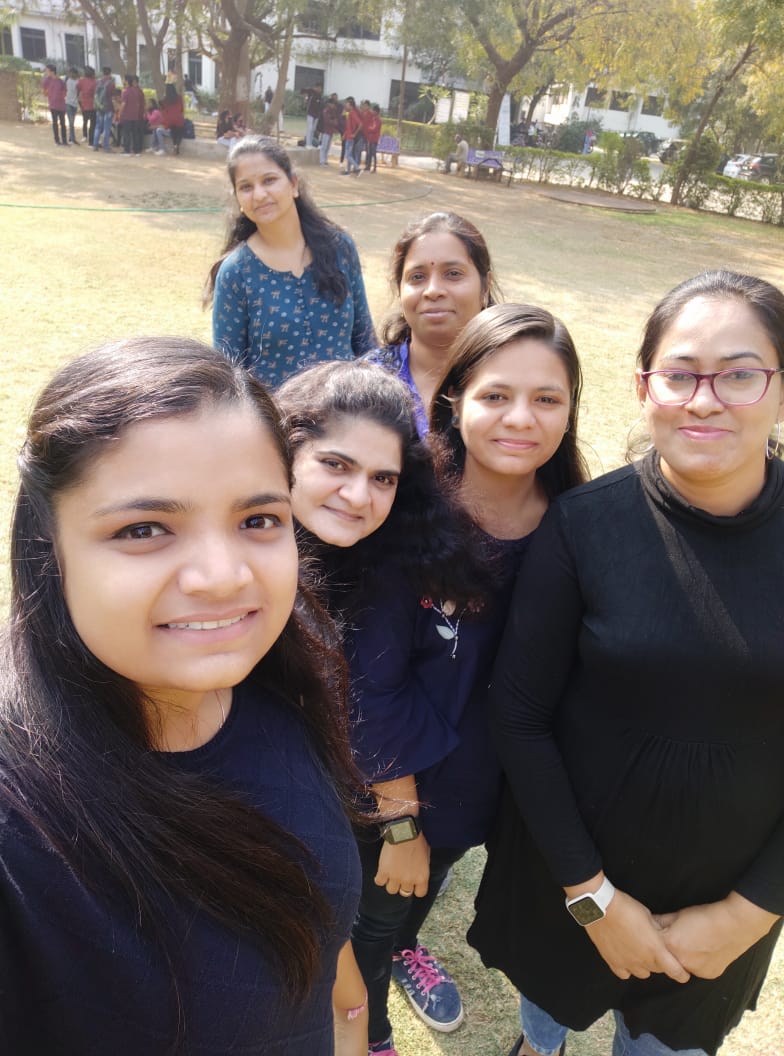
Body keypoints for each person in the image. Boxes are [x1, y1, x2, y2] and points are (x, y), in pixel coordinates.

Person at [0, 335, 367, 1054]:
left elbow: (314, 923)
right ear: (49, 548)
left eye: (258, 520)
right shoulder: (22, 834)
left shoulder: (281, 686)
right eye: (145, 529)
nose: (223, 576)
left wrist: (350, 1015)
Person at [468, 270, 784, 1056]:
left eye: (739, 374)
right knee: (544, 1020)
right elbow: (519, 715)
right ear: (644, 387)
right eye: (680, 374)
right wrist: (592, 899)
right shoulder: (583, 526)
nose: (703, 400)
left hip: (728, 910)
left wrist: (749, 914)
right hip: (567, 879)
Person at [207, 137, 376, 387]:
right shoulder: (236, 273)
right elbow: (229, 376)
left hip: (348, 405)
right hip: (276, 411)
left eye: (269, 180)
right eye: (246, 187)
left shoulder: (340, 248)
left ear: (294, 184)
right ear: (238, 199)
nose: (259, 194)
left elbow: (365, 340)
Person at [369, 211, 499, 435]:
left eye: (453, 274)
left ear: (485, 287)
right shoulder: (367, 380)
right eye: (417, 277)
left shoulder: (516, 374)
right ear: (399, 289)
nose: (433, 290)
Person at [41, 64, 68, 147]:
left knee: (63, 123)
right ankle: (57, 140)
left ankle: (64, 141)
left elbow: (65, 91)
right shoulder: (47, 80)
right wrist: (49, 95)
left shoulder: (60, 81)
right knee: (55, 123)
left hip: (61, 105)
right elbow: (44, 91)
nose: (46, 72)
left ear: (52, 71)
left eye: (47, 70)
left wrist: (59, 96)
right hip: (53, 105)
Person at [119, 73, 146, 156]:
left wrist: (119, 113)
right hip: (135, 116)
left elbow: (123, 104)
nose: (123, 81)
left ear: (127, 81)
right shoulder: (136, 91)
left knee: (126, 133)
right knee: (135, 134)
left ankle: (127, 151)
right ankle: (136, 151)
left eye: (124, 79)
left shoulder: (125, 92)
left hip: (127, 116)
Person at [156, 83, 185, 155]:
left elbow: (163, 110)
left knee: (173, 131)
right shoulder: (179, 98)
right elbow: (181, 108)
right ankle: (176, 145)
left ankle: (174, 145)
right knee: (179, 132)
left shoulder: (165, 99)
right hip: (178, 118)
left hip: (169, 119)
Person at [93, 66, 116, 152]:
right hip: (108, 107)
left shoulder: (98, 82)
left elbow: (95, 94)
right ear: (110, 73)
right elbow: (113, 97)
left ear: (103, 73)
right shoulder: (111, 84)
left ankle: (95, 145)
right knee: (107, 127)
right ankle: (106, 146)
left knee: (98, 126)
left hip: (99, 107)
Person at [341, 97, 362, 176]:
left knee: (348, 155)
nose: (346, 107)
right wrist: (345, 134)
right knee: (349, 155)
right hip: (348, 137)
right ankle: (348, 170)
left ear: (351, 106)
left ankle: (357, 168)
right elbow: (349, 126)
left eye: (347, 105)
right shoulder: (350, 114)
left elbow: (360, 124)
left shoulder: (352, 114)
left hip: (350, 138)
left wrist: (354, 134)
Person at [319, 92, 341, 166]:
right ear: (329, 104)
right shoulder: (326, 110)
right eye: (333, 104)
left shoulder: (333, 111)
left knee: (328, 147)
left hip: (330, 131)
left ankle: (325, 160)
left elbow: (335, 119)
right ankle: (322, 161)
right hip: (326, 131)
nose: (334, 106)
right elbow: (327, 121)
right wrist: (334, 122)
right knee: (324, 147)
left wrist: (335, 126)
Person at [76, 65, 96, 145]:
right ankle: (91, 141)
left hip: (83, 104)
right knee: (93, 124)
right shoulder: (95, 82)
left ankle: (85, 135)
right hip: (92, 105)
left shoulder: (81, 81)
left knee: (85, 120)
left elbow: (77, 89)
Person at [364, 103, 382, 173]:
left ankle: (374, 168)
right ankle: (368, 167)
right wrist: (369, 128)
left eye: (374, 111)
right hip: (370, 138)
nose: (373, 112)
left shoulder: (378, 120)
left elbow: (374, 129)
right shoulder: (373, 119)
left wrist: (369, 129)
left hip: (374, 139)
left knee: (373, 153)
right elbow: (370, 127)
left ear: (376, 112)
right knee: (369, 153)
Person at [64, 66, 79, 144]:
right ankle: (72, 138)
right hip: (68, 103)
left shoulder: (78, 82)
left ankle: (71, 137)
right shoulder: (66, 80)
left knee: (72, 121)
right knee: (71, 121)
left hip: (74, 103)